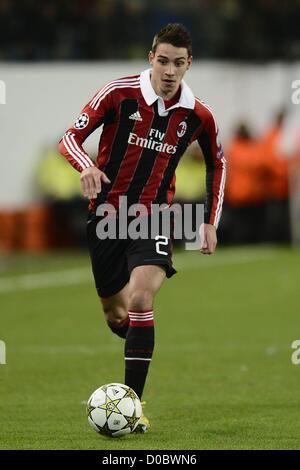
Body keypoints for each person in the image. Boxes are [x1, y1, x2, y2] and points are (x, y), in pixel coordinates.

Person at [58, 23, 226, 433]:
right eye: (163, 61)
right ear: (151, 58)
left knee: (139, 298)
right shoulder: (118, 93)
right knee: (118, 317)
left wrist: (208, 222)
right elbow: (70, 138)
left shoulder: (198, 114)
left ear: (189, 64)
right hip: (106, 219)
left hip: (154, 217)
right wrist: (88, 167)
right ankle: (137, 340)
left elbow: (217, 162)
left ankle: (132, 407)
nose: (170, 71)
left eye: (179, 63)